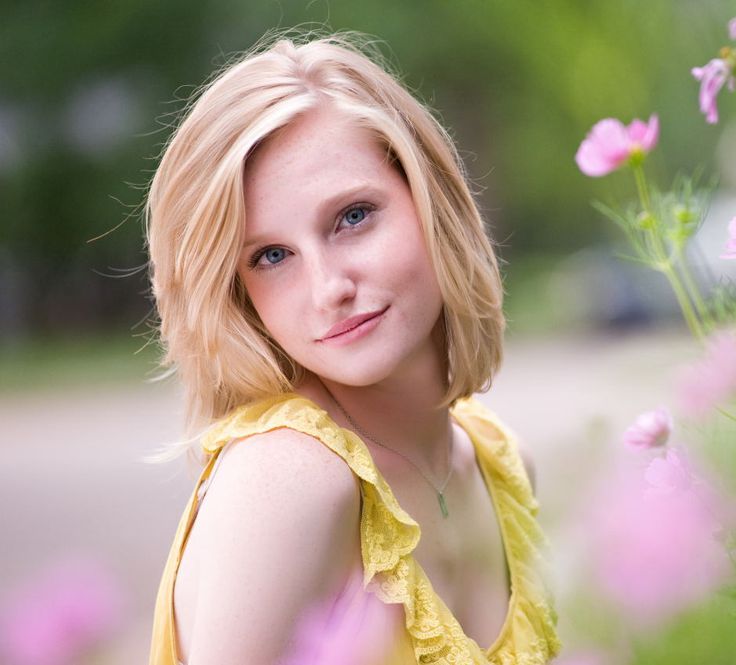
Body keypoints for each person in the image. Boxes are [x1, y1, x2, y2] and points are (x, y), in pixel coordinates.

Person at [145, 33, 562, 665]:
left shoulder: (503, 465)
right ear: (238, 294)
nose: (329, 289)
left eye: (353, 217)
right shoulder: (288, 479)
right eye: (272, 256)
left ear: (430, 200)